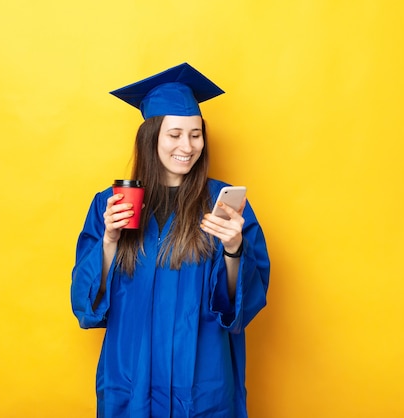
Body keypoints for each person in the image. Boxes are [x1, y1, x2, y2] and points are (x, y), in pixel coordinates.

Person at [71, 63, 270, 418]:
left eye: (196, 134)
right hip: (131, 381)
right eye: (175, 134)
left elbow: (242, 309)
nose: (187, 146)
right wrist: (110, 241)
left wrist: (234, 250)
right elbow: (86, 306)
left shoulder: (221, 205)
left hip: (200, 384)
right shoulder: (110, 204)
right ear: (151, 138)